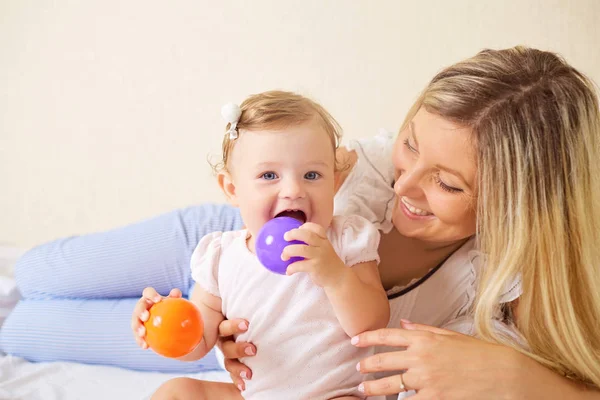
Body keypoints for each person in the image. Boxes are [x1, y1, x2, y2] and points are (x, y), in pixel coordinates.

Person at [5, 46, 600, 399]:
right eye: (410, 144)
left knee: (25, 332)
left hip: (270, 343)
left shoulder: (513, 280)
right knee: (30, 274)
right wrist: (190, 319)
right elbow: (270, 172)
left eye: (448, 184)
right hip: (219, 249)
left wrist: (516, 374)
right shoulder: (361, 169)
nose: (405, 186)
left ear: (523, 206)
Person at [133, 91, 390, 399]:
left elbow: (371, 323)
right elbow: (198, 342)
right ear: (232, 189)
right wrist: (164, 324)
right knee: (177, 391)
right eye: (269, 175)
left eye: (312, 174)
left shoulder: (345, 239)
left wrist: (335, 276)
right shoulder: (220, 257)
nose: (293, 190)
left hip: (334, 394)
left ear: (334, 184)